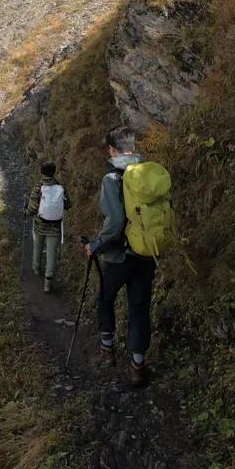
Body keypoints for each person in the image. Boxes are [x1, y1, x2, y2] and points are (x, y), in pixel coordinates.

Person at [84, 126, 154, 386]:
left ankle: (107, 350)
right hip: (146, 253)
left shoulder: (112, 178)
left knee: (105, 298)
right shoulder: (147, 172)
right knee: (139, 307)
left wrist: (95, 245)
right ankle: (137, 366)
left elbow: (115, 222)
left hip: (118, 257)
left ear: (112, 149)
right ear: (133, 147)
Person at [25, 162, 71, 294]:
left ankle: (36, 268)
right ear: (54, 172)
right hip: (55, 227)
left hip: (40, 224)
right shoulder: (61, 187)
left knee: (37, 246)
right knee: (52, 253)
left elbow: (33, 208)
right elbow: (68, 205)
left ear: (42, 172)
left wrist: (26, 213)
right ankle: (47, 283)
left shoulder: (38, 187)